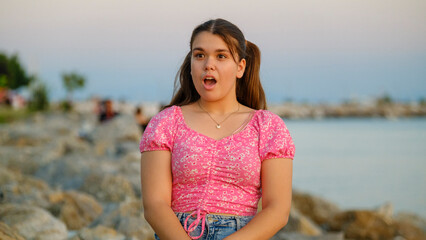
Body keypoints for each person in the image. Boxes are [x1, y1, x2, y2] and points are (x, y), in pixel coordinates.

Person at [140, 18, 295, 240]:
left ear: (240, 67)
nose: (208, 64)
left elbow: (278, 211)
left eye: (221, 56)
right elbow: (155, 205)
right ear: (191, 64)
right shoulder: (165, 123)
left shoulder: (268, 126)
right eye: (199, 55)